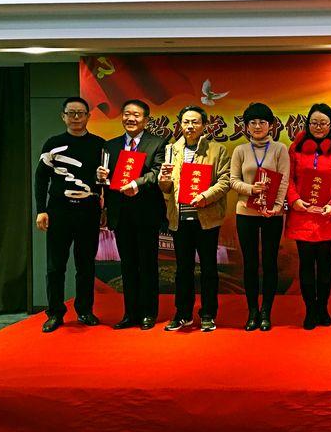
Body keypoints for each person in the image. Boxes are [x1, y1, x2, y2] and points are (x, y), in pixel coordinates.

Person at [34, 97, 104, 333]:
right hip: (59, 212)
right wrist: (41, 210)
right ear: (63, 116)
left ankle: (84, 310)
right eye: (71, 113)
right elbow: (41, 178)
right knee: (55, 266)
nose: (76, 117)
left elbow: (104, 181)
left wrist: (104, 208)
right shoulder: (52, 144)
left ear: (88, 116)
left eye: (80, 113)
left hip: (88, 211)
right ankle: (55, 313)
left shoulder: (99, 145)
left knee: (86, 265)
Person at [158, 105, 230, 332]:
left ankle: (208, 313)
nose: (190, 126)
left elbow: (225, 181)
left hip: (206, 219)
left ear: (204, 125)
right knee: (183, 270)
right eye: (186, 122)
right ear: (180, 124)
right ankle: (183, 313)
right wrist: (163, 180)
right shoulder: (171, 150)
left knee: (208, 268)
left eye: (195, 122)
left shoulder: (217, 150)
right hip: (179, 218)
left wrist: (205, 196)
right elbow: (166, 188)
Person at [97, 100, 166, 330]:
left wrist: (137, 183)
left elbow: (157, 172)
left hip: (147, 212)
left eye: (136, 115)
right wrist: (101, 176)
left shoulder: (158, 143)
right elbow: (106, 180)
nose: (131, 119)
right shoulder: (111, 145)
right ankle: (130, 313)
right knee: (127, 265)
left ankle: (148, 313)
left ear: (146, 120)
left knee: (147, 264)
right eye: (127, 114)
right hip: (120, 213)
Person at [285, 103, 331, 329]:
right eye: (314, 122)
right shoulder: (296, 148)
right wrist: (294, 200)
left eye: (323, 123)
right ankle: (310, 310)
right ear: (307, 124)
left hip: (326, 215)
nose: (318, 127)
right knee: (305, 263)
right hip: (302, 213)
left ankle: (322, 307)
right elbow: (288, 178)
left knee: (324, 263)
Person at [229, 103, 290, 332]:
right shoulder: (240, 150)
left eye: (262, 122)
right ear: (246, 126)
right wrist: (250, 189)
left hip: (271, 214)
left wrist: (276, 206)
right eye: (252, 122)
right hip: (246, 212)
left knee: (270, 262)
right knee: (250, 263)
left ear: (271, 125)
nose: (257, 126)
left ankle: (266, 312)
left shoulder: (280, 149)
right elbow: (233, 180)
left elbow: (283, 179)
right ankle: (252, 311)